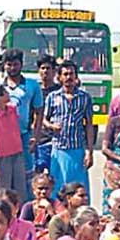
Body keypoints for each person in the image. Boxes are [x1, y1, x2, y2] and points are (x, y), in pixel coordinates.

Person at [45, 60, 94, 198]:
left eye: (71, 74)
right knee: (59, 187)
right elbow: (43, 119)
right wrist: (51, 126)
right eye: (65, 74)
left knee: (79, 188)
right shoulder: (52, 97)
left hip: (77, 149)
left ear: (76, 76)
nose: (69, 77)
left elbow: (89, 125)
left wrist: (90, 152)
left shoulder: (85, 98)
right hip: (58, 149)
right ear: (59, 77)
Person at [0, 49, 43, 185]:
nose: (12, 68)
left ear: (21, 64)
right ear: (4, 65)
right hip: (3, 139)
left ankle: (26, 204)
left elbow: (39, 112)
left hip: (24, 136)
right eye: (9, 64)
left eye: (15, 64)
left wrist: (35, 137)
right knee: (4, 176)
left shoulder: (32, 85)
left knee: (26, 176)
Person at [0, 84, 27, 201]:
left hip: (17, 152)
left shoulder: (12, 109)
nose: (8, 94)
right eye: (5, 92)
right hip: (2, 155)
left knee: (20, 187)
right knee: (5, 187)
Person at [34, 54, 60, 173]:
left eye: (48, 68)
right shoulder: (34, 90)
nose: (45, 71)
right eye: (42, 68)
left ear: (54, 71)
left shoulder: (59, 91)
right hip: (37, 140)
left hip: (55, 141)